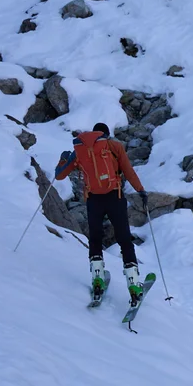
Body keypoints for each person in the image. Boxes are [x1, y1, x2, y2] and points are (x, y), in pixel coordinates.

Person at [54, 122, 149, 304]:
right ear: (105, 135)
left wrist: (62, 159)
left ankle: (97, 280)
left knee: (95, 239)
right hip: (115, 197)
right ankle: (134, 285)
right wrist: (141, 190)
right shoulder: (114, 146)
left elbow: (59, 175)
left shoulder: (80, 150)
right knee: (124, 241)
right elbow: (128, 171)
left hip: (93, 200)